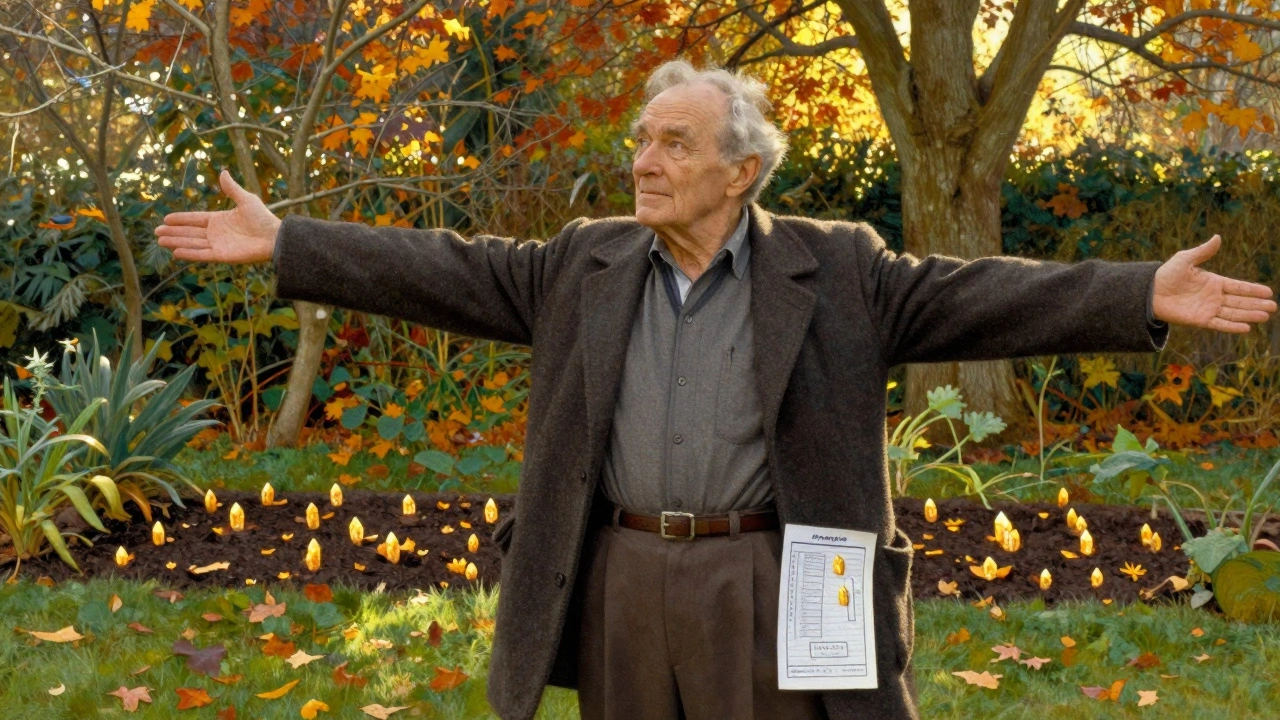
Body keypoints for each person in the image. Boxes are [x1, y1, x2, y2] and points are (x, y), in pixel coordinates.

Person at [155, 59, 1276, 720]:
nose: (642, 160)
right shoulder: (581, 265)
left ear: (740, 172)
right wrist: (290, 241)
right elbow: (441, 267)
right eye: (641, 139)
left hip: (767, 575)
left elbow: (982, 294)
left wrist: (1135, 292)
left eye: (673, 145)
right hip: (621, 573)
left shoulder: (835, 268)